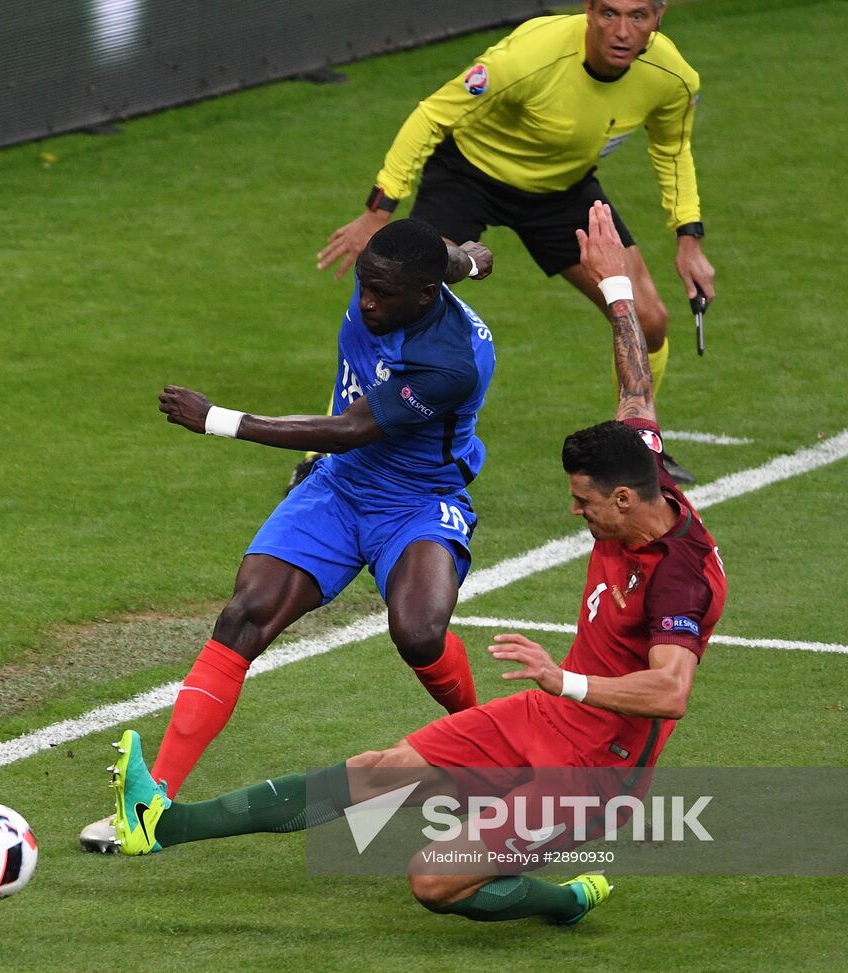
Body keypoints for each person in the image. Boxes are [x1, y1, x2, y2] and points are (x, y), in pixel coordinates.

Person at [108, 201, 728, 928]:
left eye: (585, 504)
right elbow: (635, 385)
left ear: (626, 499)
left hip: (598, 765)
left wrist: (567, 678)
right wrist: (617, 288)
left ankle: (561, 898)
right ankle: (163, 821)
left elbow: (671, 691)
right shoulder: (640, 464)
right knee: (381, 769)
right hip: (546, 715)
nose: (575, 514)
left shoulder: (678, 571)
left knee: (433, 878)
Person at [79, 219, 496, 851]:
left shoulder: (451, 364)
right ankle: (148, 809)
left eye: (384, 294)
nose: (367, 303)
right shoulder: (418, 269)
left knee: (418, 631)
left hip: (416, 501)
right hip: (340, 487)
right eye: (363, 286)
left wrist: (220, 420)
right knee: (245, 615)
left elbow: (351, 428)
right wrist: (471, 257)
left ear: (424, 295)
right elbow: (463, 257)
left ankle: (491, 749)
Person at [307, 0, 714, 487]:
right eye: (609, 13)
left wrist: (688, 235)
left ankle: (640, 449)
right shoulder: (530, 57)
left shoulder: (672, 77)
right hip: (469, 175)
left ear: (660, 15)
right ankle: (322, 453)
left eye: (638, 16)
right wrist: (379, 208)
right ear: (588, 10)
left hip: (562, 191)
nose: (622, 31)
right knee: (396, 299)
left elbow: (672, 149)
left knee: (648, 320)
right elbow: (432, 114)